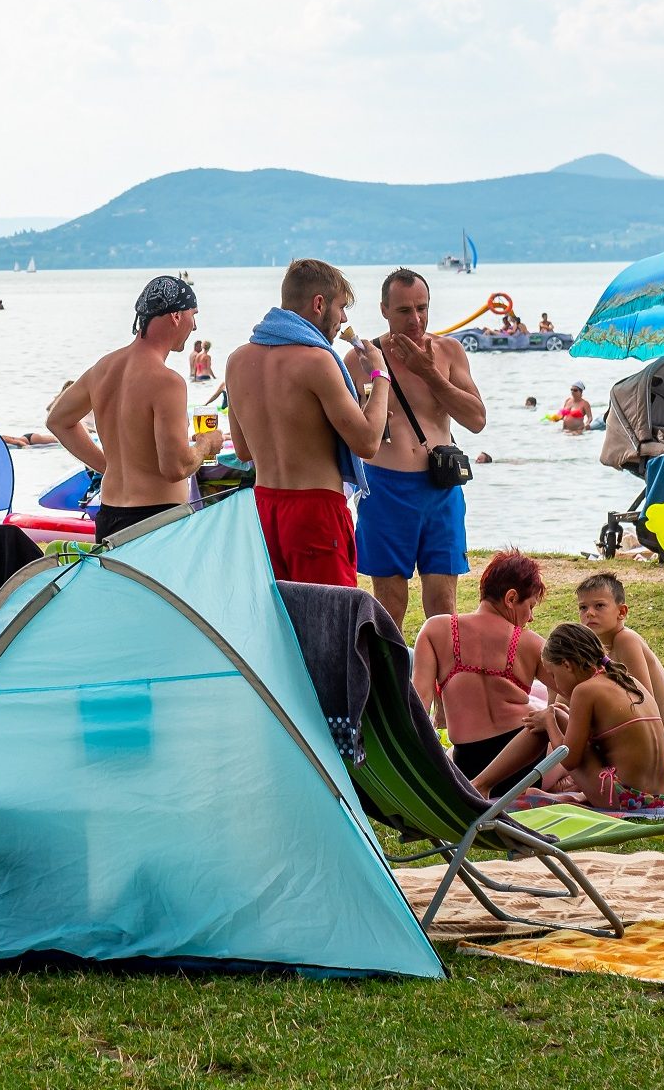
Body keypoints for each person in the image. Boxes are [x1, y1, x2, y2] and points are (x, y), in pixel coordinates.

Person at [221, 260, 387, 590]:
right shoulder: (317, 360)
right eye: (341, 308)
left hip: (264, 505)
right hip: (315, 513)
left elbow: (242, 450)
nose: (343, 320)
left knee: (278, 626)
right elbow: (368, 442)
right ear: (318, 304)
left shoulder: (237, 360)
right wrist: (380, 376)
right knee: (331, 624)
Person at [47, 276, 223, 542]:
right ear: (176, 315)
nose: (195, 326)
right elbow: (175, 467)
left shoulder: (103, 369)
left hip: (109, 517)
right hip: (157, 521)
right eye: (193, 315)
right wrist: (206, 444)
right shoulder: (168, 382)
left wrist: (108, 467)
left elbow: (58, 420)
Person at [358, 269, 485, 624]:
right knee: (390, 602)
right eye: (404, 311)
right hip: (384, 487)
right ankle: (389, 679)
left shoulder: (447, 351)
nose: (415, 319)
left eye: (422, 308)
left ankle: (443, 679)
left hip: (439, 488)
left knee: (444, 604)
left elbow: (476, 419)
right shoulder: (363, 358)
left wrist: (429, 373)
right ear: (384, 309)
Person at [480, 625, 664, 812]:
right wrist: (555, 716)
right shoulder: (628, 681)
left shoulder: (585, 691)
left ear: (567, 665)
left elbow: (569, 760)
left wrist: (549, 723)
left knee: (550, 716)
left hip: (626, 799)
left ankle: (481, 784)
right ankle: (481, 783)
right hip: (658, 798)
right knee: (556, 712)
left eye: (553, 675)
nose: (555, 684)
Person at [409, 550, 546, 780]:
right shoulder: (529, 642)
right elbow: (576, 688)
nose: (530, 617)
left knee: (451, 753)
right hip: (527, 760)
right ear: (511, 598)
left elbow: (418, 705)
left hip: (468, 763)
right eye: (530, 606)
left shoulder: (435, 630)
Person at [572, 573, 664, 729]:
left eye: (599, 605)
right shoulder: (593, 645)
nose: (589, 613)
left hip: (653, 726)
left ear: (622, 612)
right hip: (632, 719)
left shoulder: (625, 640)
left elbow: (644, 700)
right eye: (583, 607)